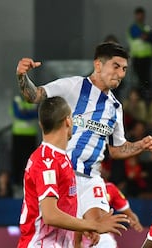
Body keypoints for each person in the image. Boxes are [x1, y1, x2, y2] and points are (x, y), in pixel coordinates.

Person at [16, 42, 152, 247]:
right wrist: (22, 76)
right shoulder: (73, 86)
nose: (120, 73)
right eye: (116, 66)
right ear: (98, 65)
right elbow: (35, 95)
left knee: (99, 235)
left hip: (91, 179)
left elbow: (116, 150)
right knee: (77, 235)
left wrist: (140, 145)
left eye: (125, 69)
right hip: (64, 174)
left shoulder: (115, 107)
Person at [18, 96, 129, 248]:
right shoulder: (46, 161)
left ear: (41, 124)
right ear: (68, 121)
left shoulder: (61, 157)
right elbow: (50, 216)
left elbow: (65, 207)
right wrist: (92, 225)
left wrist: (83, 227)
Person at [82, 180, 143, 247]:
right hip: (77, 232)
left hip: (103, 235)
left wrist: (134, 220)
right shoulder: (75, 187)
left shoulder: (109, 188)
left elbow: (129, 214)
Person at [10, 95, 39, 186]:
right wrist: (29, 114)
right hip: (18, 135)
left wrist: (24, 112)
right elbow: (18, 114)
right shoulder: (17, 100)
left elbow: (36, 114)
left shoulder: (35, 101)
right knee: (17, 160)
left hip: (31, 135)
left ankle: (29, 182)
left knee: (30, 161)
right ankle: (17, 182)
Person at [127, 6, 152, 86]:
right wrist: (149, 36)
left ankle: (146, 95)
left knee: (146, 78)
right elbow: (144, 36)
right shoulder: (133, 28)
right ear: (135, 16)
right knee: (138, 79)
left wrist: (149, 36)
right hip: (137, 57)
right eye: (139, 15)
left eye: (142, 15)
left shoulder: (146, 27)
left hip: (148, 56)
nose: (141, 17)